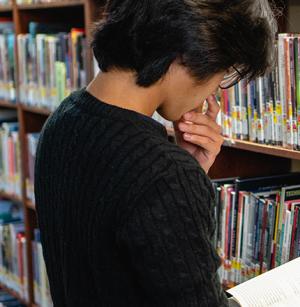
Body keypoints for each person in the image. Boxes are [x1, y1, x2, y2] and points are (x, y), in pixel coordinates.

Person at [34, 0, 278, 305]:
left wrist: (189, 172)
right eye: (225, 72)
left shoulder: (61, 122)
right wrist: (181, 178)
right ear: (191, 53)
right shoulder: (165, 175)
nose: (215, 90)